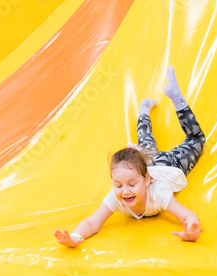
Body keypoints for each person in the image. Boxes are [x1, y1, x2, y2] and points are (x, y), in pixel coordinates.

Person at [54, 66, 205, 247]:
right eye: (118, 185)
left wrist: (191, 230)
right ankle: (144, 109)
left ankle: (176, 97)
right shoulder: (117, 197)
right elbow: (92, 222)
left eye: (132, 185)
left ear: (146, 180)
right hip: (142, 162)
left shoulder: (158, 193)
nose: (124, 191)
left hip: (166, 164)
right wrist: (76, 237)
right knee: (145, 141)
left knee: (196, 139)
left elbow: (188, 215)